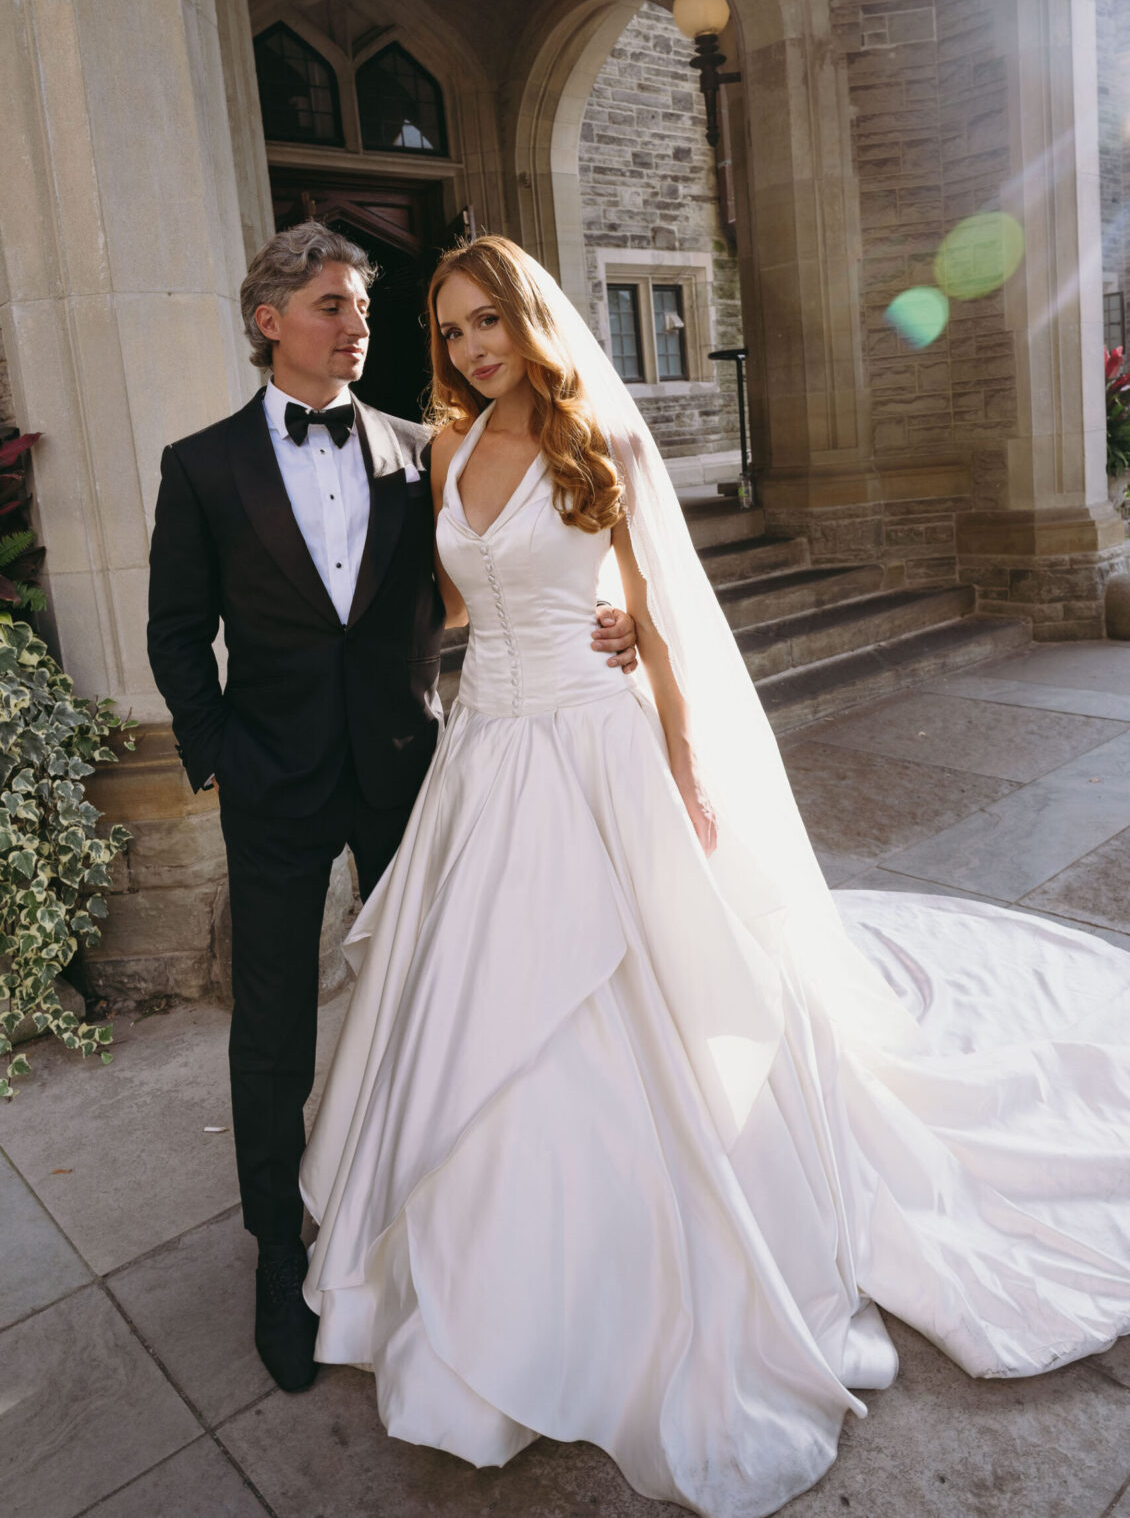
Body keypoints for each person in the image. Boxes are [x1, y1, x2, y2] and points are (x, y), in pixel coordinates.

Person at [300, 234, 1130, 1518]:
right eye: (450, 328)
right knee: (467, 1002)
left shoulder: (604, 451)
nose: (471, 348)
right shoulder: (448, 452)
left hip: (595, 748)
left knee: (638, 994)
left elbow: (664, 622)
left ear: (531, 324)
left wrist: (680, 761)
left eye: (489, 323)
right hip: (488, 759)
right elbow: (461, 611)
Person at [145, 222, 638, 1396]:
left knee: (427, 999)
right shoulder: (201, 466)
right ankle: (280, 1252)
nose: (357, 324)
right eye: (331, 305)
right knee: (272, 1029)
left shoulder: (427, 450)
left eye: (364, 307)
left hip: (413, 771)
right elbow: (176, 631)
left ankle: (420, 1220)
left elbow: (492, 576)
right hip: (272, 782)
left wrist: (606, 619)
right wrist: (219, 752)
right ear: (271, 322)